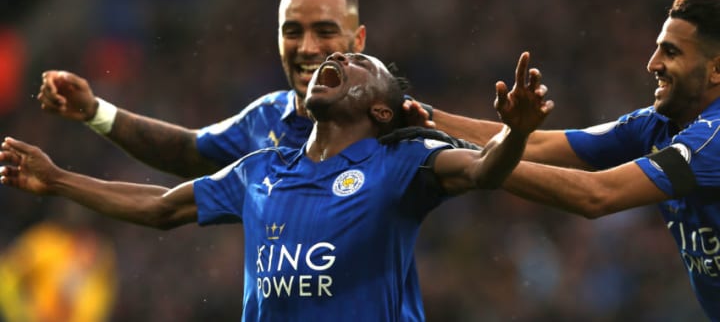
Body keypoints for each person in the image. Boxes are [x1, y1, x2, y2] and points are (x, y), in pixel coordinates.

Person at [0, 51, 553, 321]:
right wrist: (58, 180)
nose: (336, 58)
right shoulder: (261, 169)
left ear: (382, 108)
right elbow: (163, 206)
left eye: (359, 61)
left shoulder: (404, 160)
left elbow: (485, 171)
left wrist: (517, 133)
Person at [391, 0, 720, 320]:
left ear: (716, 70)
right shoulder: (660, 124)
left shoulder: (715, 139)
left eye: (672, 52)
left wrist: (472, 164)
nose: (653, 64)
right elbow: (536, 145)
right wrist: (417, 115)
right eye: (657, 50)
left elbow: (597, 195)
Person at [35, 0, 367, 178]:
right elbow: (184, 157)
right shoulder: (264, 121)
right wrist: (95, 112)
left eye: (325, 32)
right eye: (292, 32)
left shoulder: (395, 127)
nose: (307, 47)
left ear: (358, 40)